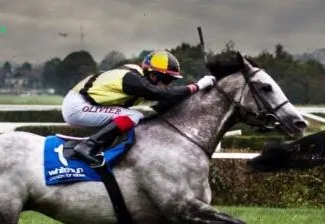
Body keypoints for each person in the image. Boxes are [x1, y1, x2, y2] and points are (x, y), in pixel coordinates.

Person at [61, 50, 217, 167]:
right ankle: (88, 147)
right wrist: (198, 86)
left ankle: (103, 147)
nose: (168, 83)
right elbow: (162, 94)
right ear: (153, 75)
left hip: (87, 104)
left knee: (136, 116)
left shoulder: (141, 79)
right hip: (77, 106)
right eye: (167, 78)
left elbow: (165, 102)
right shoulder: (132, 79)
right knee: (133, 116)